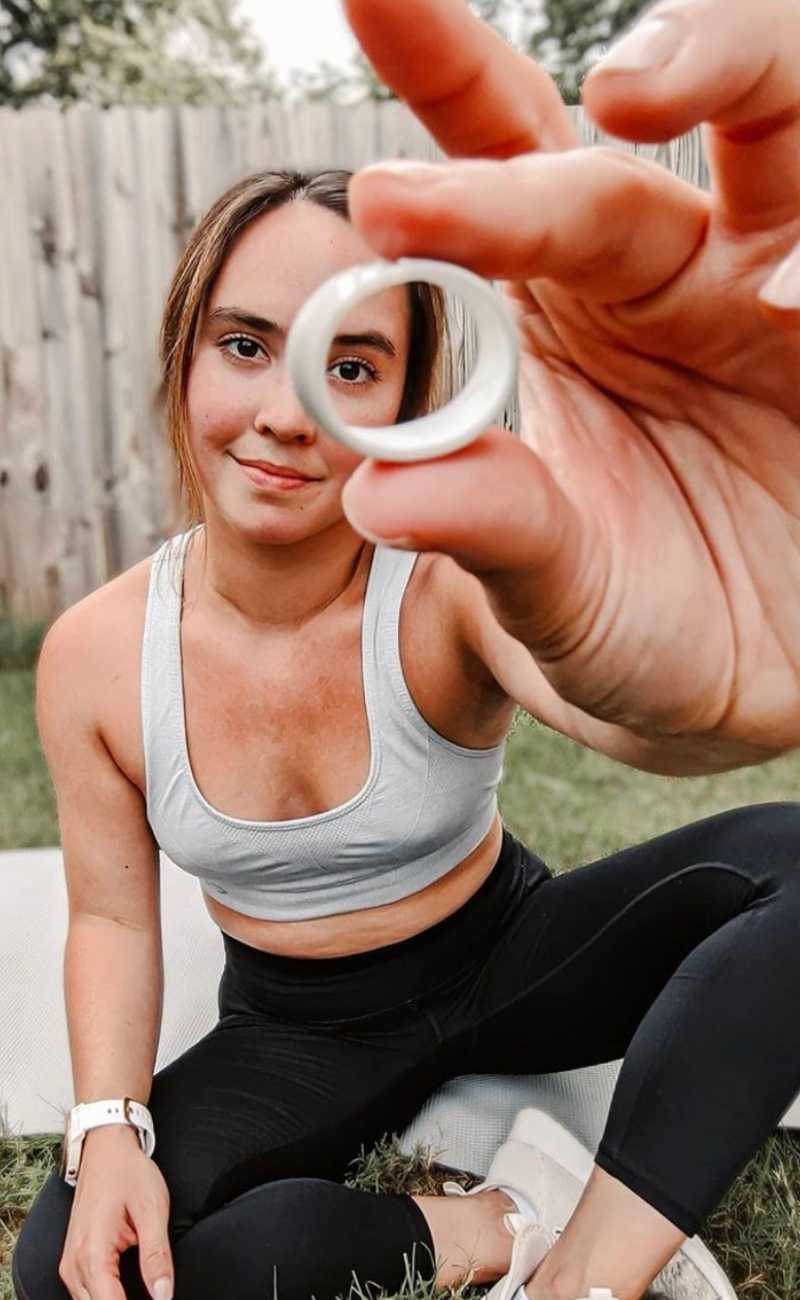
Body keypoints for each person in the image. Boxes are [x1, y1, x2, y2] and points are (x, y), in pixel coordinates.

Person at [11, 1, 800, 1299]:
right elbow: (109, 912)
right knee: (78, 1276)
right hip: (295, 1033)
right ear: (184, 358)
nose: (281, 411)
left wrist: (737, 611)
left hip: (509, 959)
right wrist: (107, 1138)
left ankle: (583, 1271)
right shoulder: (97, 657)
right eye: (245, 344)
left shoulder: (443, 588)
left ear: (401, 403)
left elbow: (603, 690)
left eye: (348, 362)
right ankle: (497, 1222)